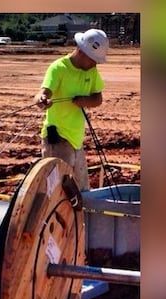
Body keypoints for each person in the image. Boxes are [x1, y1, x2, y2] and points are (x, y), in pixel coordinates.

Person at [34, 28, 109, 191]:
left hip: (76, 141)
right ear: (81, 51)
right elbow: (43, 92)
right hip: (58, 140)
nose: (95, 64)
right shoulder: (58, 68)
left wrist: (85, 101)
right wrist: (41, 100)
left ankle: (81, 216)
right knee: (57, 192)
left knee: (82, 190)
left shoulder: (92, 71)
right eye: (93, 59)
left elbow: (98, 99)